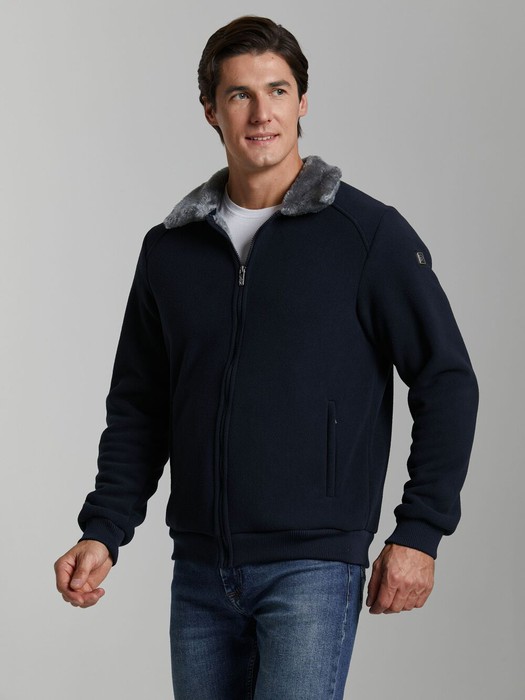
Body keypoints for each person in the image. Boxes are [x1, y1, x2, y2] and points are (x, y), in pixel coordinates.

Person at [54, 15, 479, 699]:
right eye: (240, 95)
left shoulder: (366, 235)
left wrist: (420, 533)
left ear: (302, 102)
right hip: (199, 571)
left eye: (277, 91)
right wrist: (103, 530)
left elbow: (447, 380)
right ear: (210, 110)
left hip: (312, 566)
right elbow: (140, 406)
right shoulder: (170, 251)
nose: (261, 114)